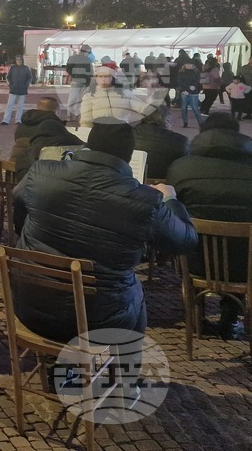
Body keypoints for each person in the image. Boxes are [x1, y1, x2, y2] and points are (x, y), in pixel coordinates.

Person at [13, 119, 197, 343]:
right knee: (135, 288)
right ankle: (127, 374)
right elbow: (184, 241)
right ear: (129, 156)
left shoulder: (40, 172)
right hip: (101, 320)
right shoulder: (147, 201)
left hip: (30, 307)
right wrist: (170, 199)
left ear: (88, 145)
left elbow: (18, 204)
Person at [168, 114, 252, 338]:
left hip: (194, 262)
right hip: (247, 266)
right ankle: (229, 319)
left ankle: (196, 318)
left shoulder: (180, 168)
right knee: (241, 250)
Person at [9, 97, 83, 182]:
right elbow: (72, 142)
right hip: (36, 173)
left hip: (14, 170)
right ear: (56, 111)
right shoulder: (52, 125)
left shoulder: (23, 124)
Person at [79, 65, 152, 127]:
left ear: (112, 78)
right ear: (96, 78)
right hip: (99, 131)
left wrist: (154, 108)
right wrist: (86, 133)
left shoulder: (124, 93)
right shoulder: (89, 96)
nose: (103, 79)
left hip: (122, 130)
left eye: (107, 76)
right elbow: (86, 120)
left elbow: (141, 107)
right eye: (100, 76)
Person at [133, 104, 188, 180]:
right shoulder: (181, 141)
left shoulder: (126, 134)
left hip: (130, 181)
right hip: (165, 184)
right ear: (167, 120)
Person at [1, 54, 34, 125]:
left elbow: (29, 77)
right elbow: (8, 77)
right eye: (17, 59)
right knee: (10, 105)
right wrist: (10, 84)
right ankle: (6, 120)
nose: (18, 61)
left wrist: (26, 85)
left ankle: (18, 120)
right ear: (15, 60)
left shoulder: (26, 68)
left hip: (23, 89)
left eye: (20, 59)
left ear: (22, 60)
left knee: (20, 105)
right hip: (13, 89)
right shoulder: (13, 68)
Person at [65, 44, 93, 121]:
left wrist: (75, 75)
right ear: (86, 52)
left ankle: (70, 115)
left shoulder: (72, 58)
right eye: (89, 53)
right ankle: (77, 114)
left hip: (76, 80)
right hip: (84, 82)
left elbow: (68, 69)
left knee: (73, 98)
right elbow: (90, 73)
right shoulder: (88, 60)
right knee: (81, 99)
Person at [177, 60, 203, 128]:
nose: (189, 66)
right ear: (184, 65)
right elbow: (180, 81)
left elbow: (197, 81)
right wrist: (186, 89)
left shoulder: (196, 71)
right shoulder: (181, 72)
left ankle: (201, 123)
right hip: (184, 91)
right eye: (187, 64)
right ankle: (185, 122)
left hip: (193, 91)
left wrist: (192, 87)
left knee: (195, 108)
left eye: (190, 64)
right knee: (183, 108)